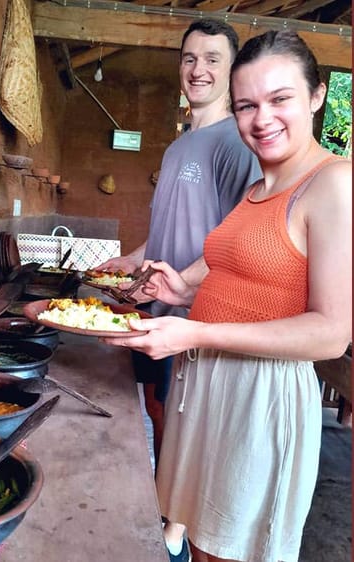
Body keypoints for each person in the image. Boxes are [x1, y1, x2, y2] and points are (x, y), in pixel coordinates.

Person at [105, 30, 351, 562]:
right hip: (207, 384)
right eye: (246, 106)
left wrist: (196, 331)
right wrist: (181, 284)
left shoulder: (334, 184)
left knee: (232, 550)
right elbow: (231, 262)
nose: (262, 119)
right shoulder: (258, 187)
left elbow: (331, 333)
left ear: (316, 95)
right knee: (200, 545)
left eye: (280, 98)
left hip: (259, 397)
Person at [96, 20, 261, 560]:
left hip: (191, 318)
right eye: (190, 58)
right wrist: (132, 259)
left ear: (232, 70)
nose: (199, 70)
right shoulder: (177, 147)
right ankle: (166, 511)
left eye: (213, 59)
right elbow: (171, 229)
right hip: (153, 306)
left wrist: (188, 290)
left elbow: (242, 240)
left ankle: (176, 526)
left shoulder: (235, 144)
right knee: (156, 409)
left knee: (184, 421)